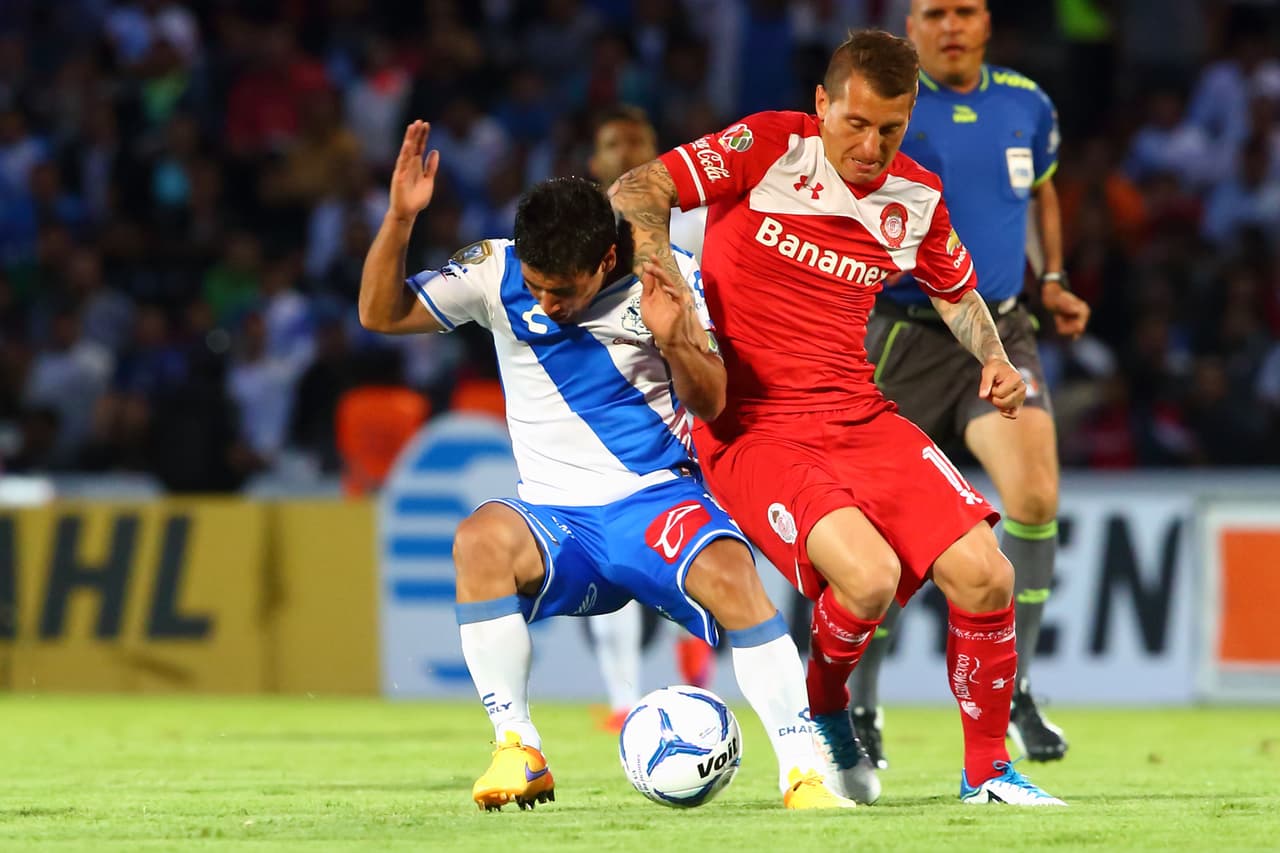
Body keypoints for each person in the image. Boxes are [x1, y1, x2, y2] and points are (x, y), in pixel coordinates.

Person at [609, 30, 1065, 805]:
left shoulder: (913, 194)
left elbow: (955, 290)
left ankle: (987, 773)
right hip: (752, 426)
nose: (871, 145)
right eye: (855, 124)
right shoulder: (765, 146)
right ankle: (827, 708)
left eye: (890, 128)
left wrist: (992, 356)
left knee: (989, 574)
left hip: (857, 412)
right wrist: (665, 284)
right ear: (822, 104)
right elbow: (636, 189)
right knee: (870, 576)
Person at [359, 120, 857, 812]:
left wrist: (674, 336)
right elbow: (380, 313)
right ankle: (517, 747)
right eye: (536, 286)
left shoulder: (667, 278)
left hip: (654, 502)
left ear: (606, 259)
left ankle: (803, 771)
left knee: (734, 576)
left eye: (563, 290)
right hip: (555, 517)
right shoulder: (494, 271)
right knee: (478, 539)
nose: (546, 305)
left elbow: (713, 402)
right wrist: (399, 218)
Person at [849, 0, 1092, 769]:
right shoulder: (885, 108)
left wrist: (1052, 278)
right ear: (908, 26)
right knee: (879, 536)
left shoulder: (1027, 101)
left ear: (988, 22)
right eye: (934, 12)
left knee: (1036, 500)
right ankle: (859, 702)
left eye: (966, 10)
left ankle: (1014, 687)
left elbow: (1043, 191)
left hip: (1005, 329)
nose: (951, 25)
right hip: (907, 333)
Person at [584, 104, 716, 728]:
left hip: (690, 398)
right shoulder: (576, 229)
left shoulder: (690, 217)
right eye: (615, 141)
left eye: (639, 141)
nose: (627, 151)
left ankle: (695, 627)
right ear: (595, 160)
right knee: (613, 546)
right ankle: (620, 698)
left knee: (695, 537)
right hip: (612, 406)